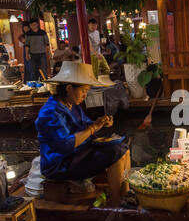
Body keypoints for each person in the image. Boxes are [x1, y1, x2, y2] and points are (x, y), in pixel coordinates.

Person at [35, 61, 130, 207]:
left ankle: (126, 194)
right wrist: (92, 128)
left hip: (76, 153)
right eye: (83, 91)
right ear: (69, 88)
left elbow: (85, 125)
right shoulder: (50, 113)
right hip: (60, 164)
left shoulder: (71, 105)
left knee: (124, 148)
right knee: (115, 153)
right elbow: (66, 145)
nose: (85, 95)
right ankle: (116, 204)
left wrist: (99, 123)